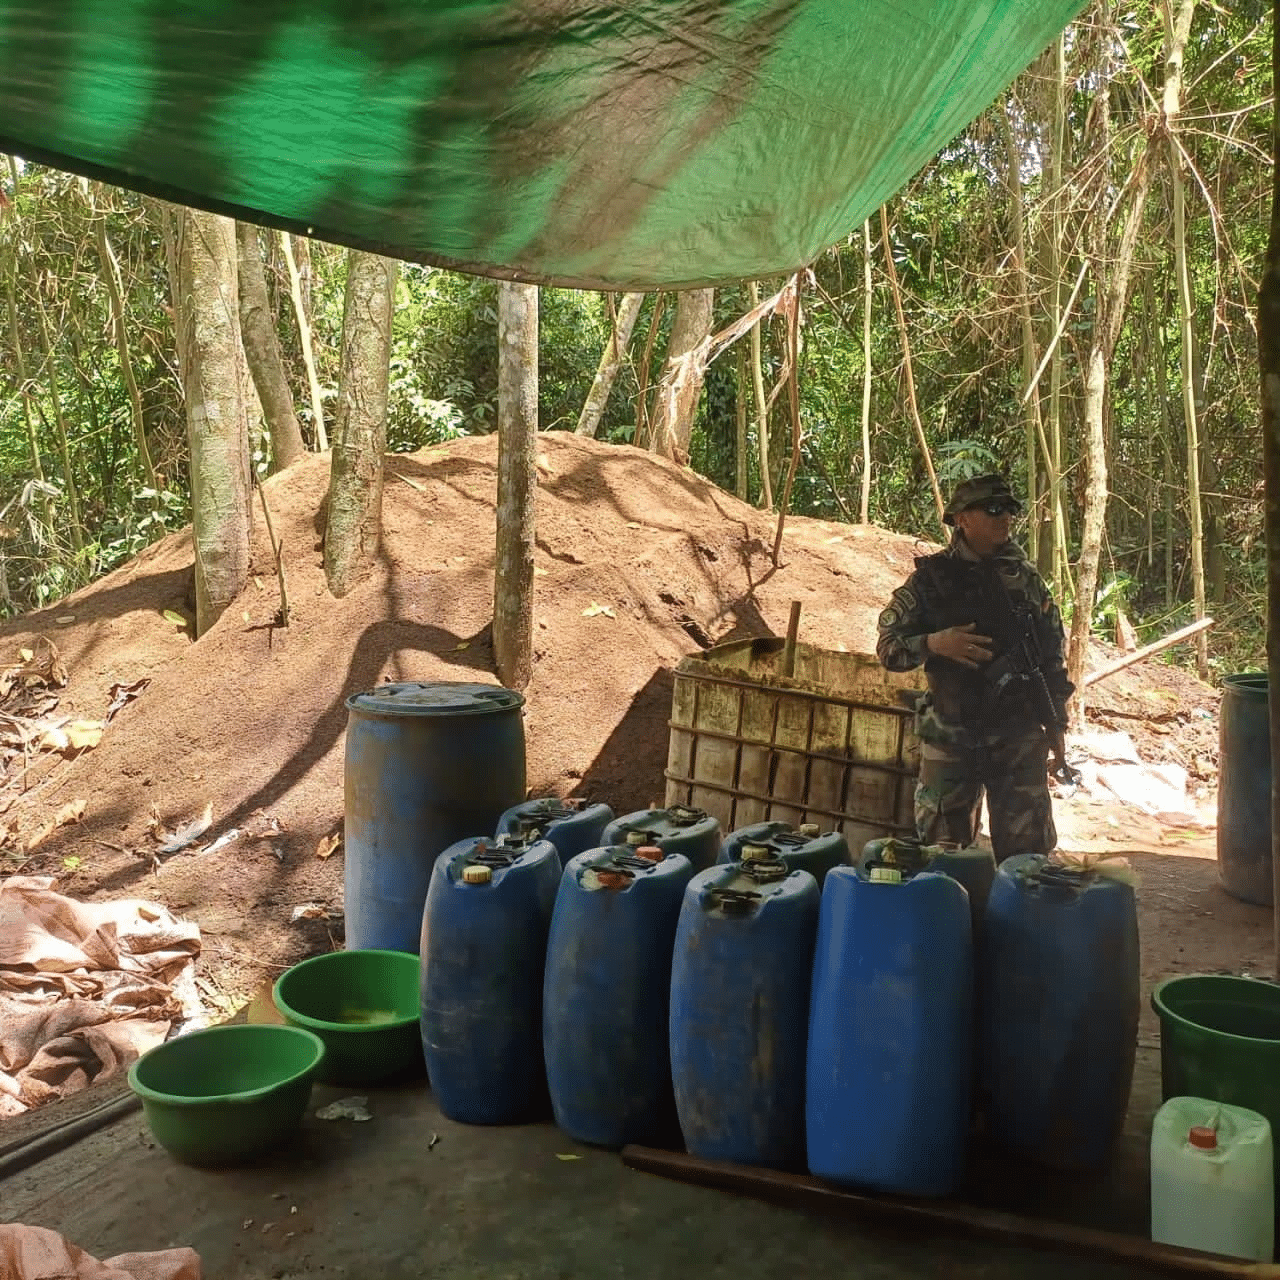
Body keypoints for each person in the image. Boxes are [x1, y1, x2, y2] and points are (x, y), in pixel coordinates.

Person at [876, 473, 1073, 862]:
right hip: (951, 734)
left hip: (1016, 735)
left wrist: (1057, 724)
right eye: (993, 509)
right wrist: (934, 643)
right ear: (962, 519)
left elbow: (1052, 655)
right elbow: (888, 648)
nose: (1005, 518)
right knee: (942, 857)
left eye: (1010, 510)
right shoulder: (930, 580)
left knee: (1027, 861)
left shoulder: (1025, 579)